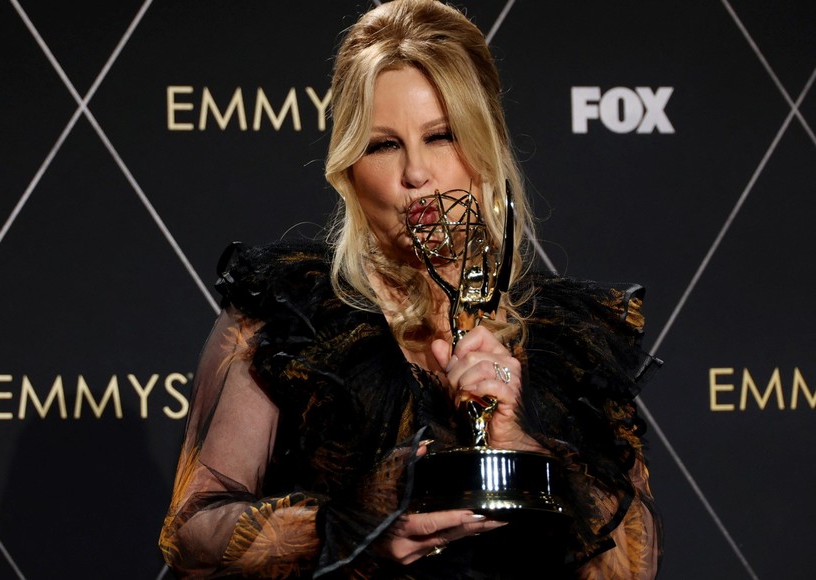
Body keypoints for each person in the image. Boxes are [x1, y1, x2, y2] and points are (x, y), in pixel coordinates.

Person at [159, 0, 662, 577]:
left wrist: (522, 441)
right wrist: (348, 524)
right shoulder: (288, 319)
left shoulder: (568, 341)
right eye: (383, 144)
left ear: (486, 145)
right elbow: (193, 533)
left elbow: (631, 565)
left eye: (441, 136)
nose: (416, 173)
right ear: (349, 165)